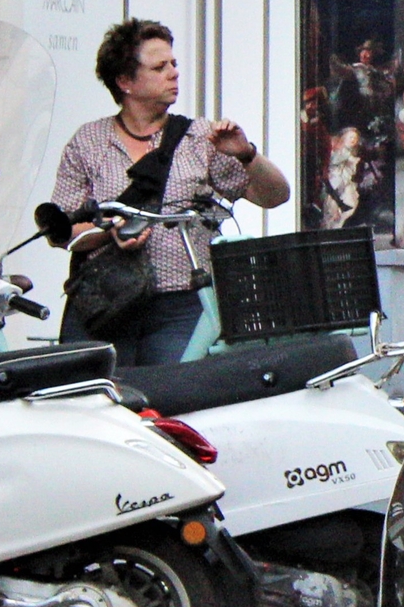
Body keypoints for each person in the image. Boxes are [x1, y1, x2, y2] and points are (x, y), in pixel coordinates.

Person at [52, 19, 291, 367]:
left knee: (171, 400)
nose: (173, 73)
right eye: (159, 67)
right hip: (104, 302)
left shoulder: (199, 138)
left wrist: (246, 153)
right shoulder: (88, 142)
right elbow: (63, 233)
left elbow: (274, 196)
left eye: (174, 64)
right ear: (125, 82)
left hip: (179, 305)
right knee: (88, 401)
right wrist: (109, 232)